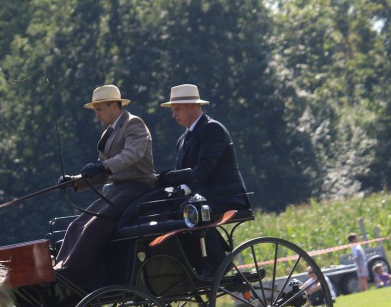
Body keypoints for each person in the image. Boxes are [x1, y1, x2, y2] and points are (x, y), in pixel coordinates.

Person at [53, 84, 157, 294]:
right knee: (77, 224)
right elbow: (102, 174)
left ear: (114, 106)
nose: (97, 115)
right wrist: (75, 181)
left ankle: (71, 277)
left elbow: (132, 155)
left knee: (94, 225)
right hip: (118, 189)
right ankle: (58, 269)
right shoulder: (107, 134)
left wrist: (103, 165)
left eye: (99, 109)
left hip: (139, 187)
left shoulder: (134, 124)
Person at [156, 83, 250, 277]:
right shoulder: (182, 140)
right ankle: (194, 264)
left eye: (177, 109)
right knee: (166, 212)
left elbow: (204, 168)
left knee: (191, 209)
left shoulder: (212, 129)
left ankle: (219, 262)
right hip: (202, 194)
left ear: (192, 106)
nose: (174, 115)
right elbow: (181, 173)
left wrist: (182, 187)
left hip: (225, 192)